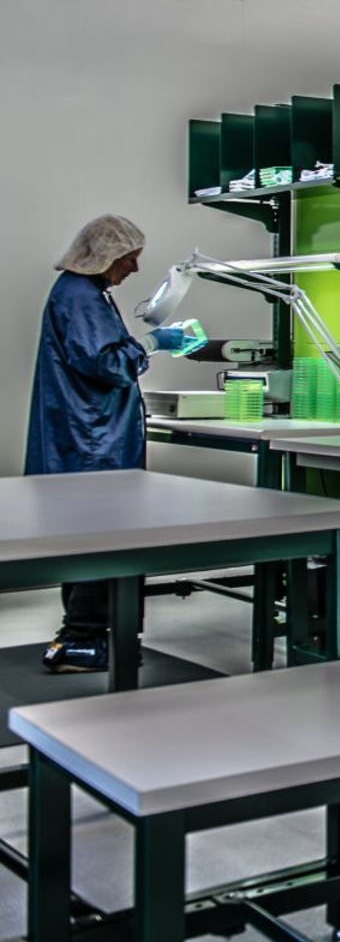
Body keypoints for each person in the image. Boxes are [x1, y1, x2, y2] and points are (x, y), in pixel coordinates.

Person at [27, 216, 188, 674]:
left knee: (87, 542)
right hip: (92, 443)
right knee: (105, 539)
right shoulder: (79, 298)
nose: (135, 270)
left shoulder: (83, 295)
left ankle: (85, 634)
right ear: (106, 256)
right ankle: (84, 635)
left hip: (85, 439)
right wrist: (154, 343)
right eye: (130, 260)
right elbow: (105, 363)